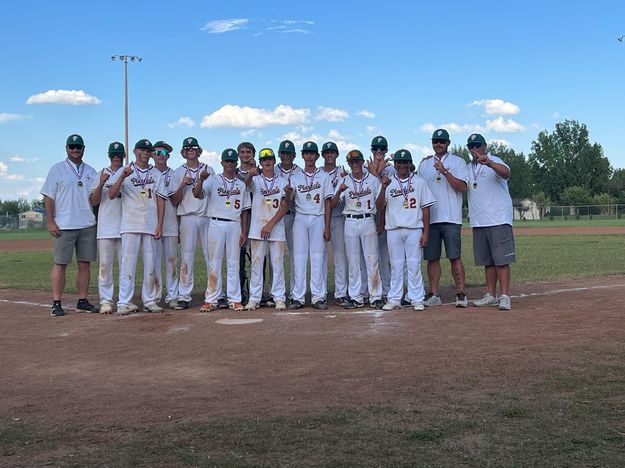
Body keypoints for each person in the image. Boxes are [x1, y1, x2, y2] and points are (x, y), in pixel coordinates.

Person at [41, 134, 99, 316]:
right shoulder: (57, 170)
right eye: (72, 146)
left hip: (87, 224)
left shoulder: (91, 171)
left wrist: (101, 184)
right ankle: (56, 302)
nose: (75, 149)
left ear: (84, 148)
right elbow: (49, 198)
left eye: (78, 146)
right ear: (66, 148)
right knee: (60, 264)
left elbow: (95, 200)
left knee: (85, 265)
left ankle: (82, 300)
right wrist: (51, 221)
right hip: (64, 225)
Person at [107, 139, 165, 315]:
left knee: (151, 265)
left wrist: (160, 225)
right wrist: (123, 176)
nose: (145, 153)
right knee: (128, 265)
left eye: (148, 150)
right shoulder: (125, 171)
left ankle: (149, 300)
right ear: (134, 151)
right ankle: (124, 301)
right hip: (130, 224)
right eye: (142, 150)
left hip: (150, 223)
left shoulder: (156, 174)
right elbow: (111, 194)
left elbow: (161, 199)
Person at [375, 149, 435, 311]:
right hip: (394, 229)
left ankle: (416, 298)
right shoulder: (388, 182)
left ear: (410, 164)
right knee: (396, 265)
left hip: (414, 228)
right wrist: (383, 186)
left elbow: (426, 209)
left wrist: (426, 232)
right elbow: (379, 206)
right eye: (399, 163)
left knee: (414, 264)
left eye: (405, 162)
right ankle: (394, 298)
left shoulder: (419, 182)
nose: (402, 165)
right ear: (395, 165)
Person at [193, 148, 251, 311]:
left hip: (234, 223)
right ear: (222, 163)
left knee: (233, 262)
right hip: (216, 223)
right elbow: (197, 194)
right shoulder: (213, 180)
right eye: (227, 161)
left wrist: (244, 231)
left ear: (236, 163)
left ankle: (235, 299)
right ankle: (211, 299)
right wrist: (200, 180)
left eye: (232, 161)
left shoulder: (241, 184)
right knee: (215, 261)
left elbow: (245, 210)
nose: (230, 164)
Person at [417, 129, 470, 308]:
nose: (438, 144)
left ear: (448, 143)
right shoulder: (424, 164)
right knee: (432, 258)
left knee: (454, 256)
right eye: (435, 141)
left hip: (451, 218)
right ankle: (434, 294)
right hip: (430, 219)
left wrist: (445, 171)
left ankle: (461, 294)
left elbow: (462, 187)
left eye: (442, 141)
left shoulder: (458, 161)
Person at [465, 133, 516, 311]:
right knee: (488, 261)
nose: (474, 149)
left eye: (478, 145)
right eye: (471, 146)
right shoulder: (467, 167)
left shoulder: (495, 160)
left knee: (501, 260)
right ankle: (490, 294)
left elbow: (507, 173)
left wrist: (490, 163)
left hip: (498, 218)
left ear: (485, 146)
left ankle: (505, 296)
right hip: (479, 220)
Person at [331, 150, 384, 309]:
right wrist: (339, 190)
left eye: (357, 161)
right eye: (352, 162)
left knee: (372, 259)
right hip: (351, 222)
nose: (355, 164)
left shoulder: (373, 180)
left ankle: (375, 296)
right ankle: (356, 297)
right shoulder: (344, 180)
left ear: (362, 162)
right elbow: (333, 204)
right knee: (353, 261)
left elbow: (381, 204)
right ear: (348, 164)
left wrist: (380, 222)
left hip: (368, 219)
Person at [168, 137, 215, 310]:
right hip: (187, 216)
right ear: (183, 152)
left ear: (199, 150)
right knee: (186, 257)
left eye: (193, 147)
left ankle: (214, 293)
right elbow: (173, 200)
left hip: (206, 215)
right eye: (187, 148)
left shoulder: (209, 169)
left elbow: (212, 194)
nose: (190, 150)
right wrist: (182, 185)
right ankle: (184, 295)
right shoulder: (178, 172)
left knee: (211, 256)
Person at [285, 141, 333, 310]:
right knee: (299, 257)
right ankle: (297, 297)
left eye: (312, 153)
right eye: (307, 153)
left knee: (318, 257)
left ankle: (318, 296)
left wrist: (327, 226)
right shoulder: (296, 176)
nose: (310, 156)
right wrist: (287, 194)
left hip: (318, 217)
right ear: (303, 155)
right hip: (300, 217)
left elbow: (328, 202)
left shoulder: (324, 176)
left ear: (317, 156)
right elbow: (289, 201)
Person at [243, 148, 289, 310]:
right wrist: (250, 173)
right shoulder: (256, 179)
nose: (267, 162)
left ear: (274, 161)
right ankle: (255, 297)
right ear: (261, 163)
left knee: (277, 264)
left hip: (275, 226)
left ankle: (278, 297)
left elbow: (284, 207)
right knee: (256, 263)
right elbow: (246, 184)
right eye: (264, 160)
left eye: (270, 159)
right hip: (257, 226)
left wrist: (270, 224)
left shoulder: (282, 181)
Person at [89, 141, 124, 314]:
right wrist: (101, 183)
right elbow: (94, 201)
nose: (116, 157)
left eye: (119, 154)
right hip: (106, 226)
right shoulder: (101, 174)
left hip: (126, 226)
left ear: (124, 156)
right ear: (109, 155)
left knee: (126, 266)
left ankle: (126, 299)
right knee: (105, 266)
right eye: (113, 154)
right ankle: (106, 300)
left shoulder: (130, 173)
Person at [152, 141, 180, 309]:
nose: (161, 156)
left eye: (164, 153)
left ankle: (172, 296)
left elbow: (176, 201)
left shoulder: (174, 175)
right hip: (151, 223)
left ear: (168, 156)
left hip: (170, 222)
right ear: (153, 154)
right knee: (154, 261)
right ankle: (154, 297)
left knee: (171, 261)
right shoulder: (147, 173)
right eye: (158, 152)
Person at [321, 141, 348, 305]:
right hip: (321, 217)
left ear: (337, 155)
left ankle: (341, 293)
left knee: (339, 255)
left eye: (332, 152)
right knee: (320, 256)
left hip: (338, 216)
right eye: (327, 152)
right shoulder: (317, 174)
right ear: (322, 155)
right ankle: (321, 292)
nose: (329, 155)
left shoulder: (343, 174)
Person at [367, 135, 394, 300]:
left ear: (386, 151)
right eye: (375, 149)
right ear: (371, 150)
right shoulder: (364, 168)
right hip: (368, 216)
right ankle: (368, 289)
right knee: (368, 256)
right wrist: (374, 171)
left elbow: (385, 193)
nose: (379, 151)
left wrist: (374, 173)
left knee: (385, 255)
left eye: (382, 149)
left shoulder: (392, 169)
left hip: (387, 214)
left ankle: (387, 289)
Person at [276, 139, 303, 300]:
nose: (286, 156)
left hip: (293, 216)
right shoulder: (272, 169)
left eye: (289, 153)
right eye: (283, 153)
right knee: (276, 255)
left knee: (295, 255)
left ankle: (294, 292)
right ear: (279, 154)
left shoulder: (300, 172)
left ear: (294, 155)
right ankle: (276, 293)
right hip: (276, 216)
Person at [236, 142, 257, 306]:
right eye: (242, 152)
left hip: (257, 215)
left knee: (258, 256)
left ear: (253, 153)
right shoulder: (234, 172)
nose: (245, 154)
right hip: (240, 216)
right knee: (240, 256)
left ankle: (259, 292)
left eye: (248, 152)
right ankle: (241, 290)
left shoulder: (261, 172)